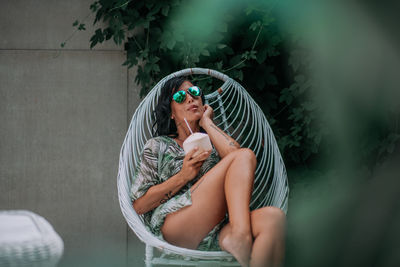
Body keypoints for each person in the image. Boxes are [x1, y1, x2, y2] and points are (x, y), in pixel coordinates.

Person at [130, 76, 286, 267]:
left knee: (273, 219)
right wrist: (182, 176)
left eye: (195, 93)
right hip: (176, 225)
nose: (190, 99)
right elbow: (139, 205)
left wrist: (206, 122)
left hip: (217, 230)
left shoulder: (214, 142)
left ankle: (239, 235)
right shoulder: (158, 146)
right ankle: (240, 236)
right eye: (180, 96)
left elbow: (239, 157)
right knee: (243, 156)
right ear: (171, 112)